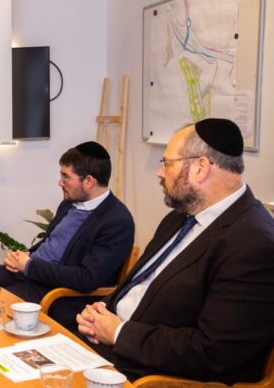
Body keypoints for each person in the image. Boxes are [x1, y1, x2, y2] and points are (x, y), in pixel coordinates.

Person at [77, 118, 274, 384]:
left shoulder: (254, 244)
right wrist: (101, 311)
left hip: (149, 376)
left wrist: (118, 333)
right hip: (105, 349)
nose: (160, 173)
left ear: (200, 168)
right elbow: (139, 284)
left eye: (167, 163)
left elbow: (213, 352)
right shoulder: (180, 217)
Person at [0, 141, 134, 321]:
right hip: (28, 272)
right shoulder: (69, 203)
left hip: (52, 290)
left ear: (89, 181)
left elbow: (86, 279)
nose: (60, 182)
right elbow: (49, 242)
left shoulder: (117, 221)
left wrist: (29, 266)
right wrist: (25, 255)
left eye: (66, 177)